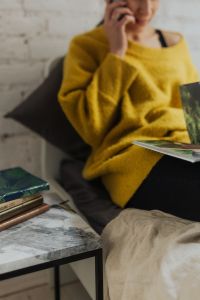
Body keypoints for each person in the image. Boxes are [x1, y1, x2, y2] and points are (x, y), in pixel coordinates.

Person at [58, 0, 200, 221]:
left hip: (184, 146)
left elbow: (194, 110)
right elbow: (91, 127)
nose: (146, 10)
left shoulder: (175, 42)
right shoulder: (86, 46)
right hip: (131, 156)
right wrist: (117, 52)